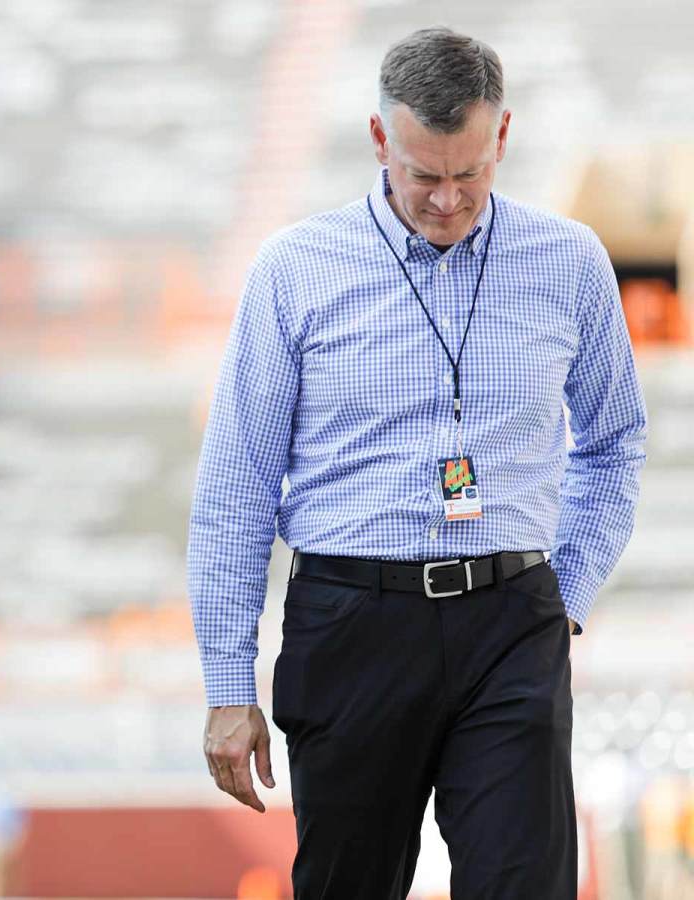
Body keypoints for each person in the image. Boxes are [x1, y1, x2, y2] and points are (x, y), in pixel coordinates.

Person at [188, 26, 646, 899]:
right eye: (423, 175)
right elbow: (235, 493)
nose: (446, 200)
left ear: (502, 138)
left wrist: (567, 600)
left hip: (512, 623)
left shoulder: (571, 262)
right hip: (350, 622)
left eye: (469, 174)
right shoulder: (294, 270)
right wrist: (225, 684)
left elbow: (615, 442)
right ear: (378, 140)